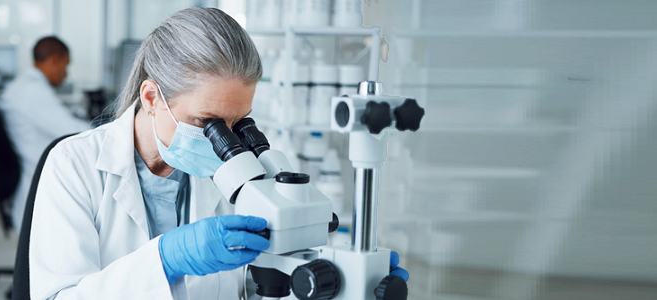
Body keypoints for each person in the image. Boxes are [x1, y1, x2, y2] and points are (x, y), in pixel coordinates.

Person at [26, 8, 405, 300]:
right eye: (207, 122)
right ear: (151, 98)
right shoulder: (72, 165)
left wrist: (340, 279)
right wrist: (165, 260)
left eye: (239, 123)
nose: (223, 141)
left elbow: (257, 285)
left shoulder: (242, 178)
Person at [0, 36, 91, 229]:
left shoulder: (26, 86)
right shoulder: (31, 90)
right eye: (65, 66)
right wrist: (114, 127)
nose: (66, 74)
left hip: (35, 182)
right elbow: (74, 131)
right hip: (38, 191)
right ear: (55, 59)